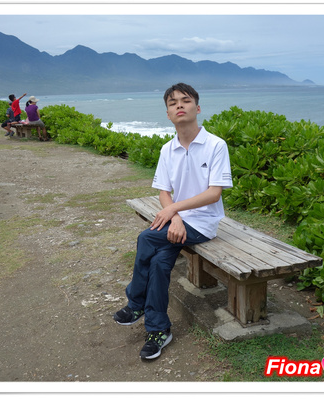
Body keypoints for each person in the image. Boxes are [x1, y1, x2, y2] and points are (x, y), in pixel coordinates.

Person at [113, 83, 233, 360]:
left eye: (185, 100)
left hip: (203, 223)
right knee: (158, 263)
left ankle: (136, 303)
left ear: (197, 108)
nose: (179, 105)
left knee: (146, 237)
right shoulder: (167, 149)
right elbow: (163, 192)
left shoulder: (216, 145)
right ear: (168, 114)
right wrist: (175, 217)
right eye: (172, 102)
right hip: (177, 222)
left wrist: (174, 211)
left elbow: (214, 193)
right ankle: (159, 330)